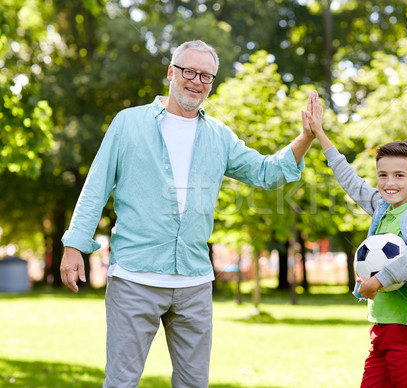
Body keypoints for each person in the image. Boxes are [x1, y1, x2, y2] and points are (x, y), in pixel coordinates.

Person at [60, 40, 316, 388]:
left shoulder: (219, 135)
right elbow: (96, 186)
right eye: (189, 72)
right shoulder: (128, 123)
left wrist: (305, 137)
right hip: (136, 277)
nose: (197, 81)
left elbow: (266, 172)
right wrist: (74, 245)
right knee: (121, 382)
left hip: (194, 282)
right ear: (171, 72)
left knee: (194, 384)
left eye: (206, 76)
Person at [304, 92, 407, 387]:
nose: (389, 183)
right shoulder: (381, 209)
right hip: (382, 329)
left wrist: (378, 280)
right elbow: (351, 180)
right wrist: (320, 135)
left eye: (399, 175)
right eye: (383, 175)